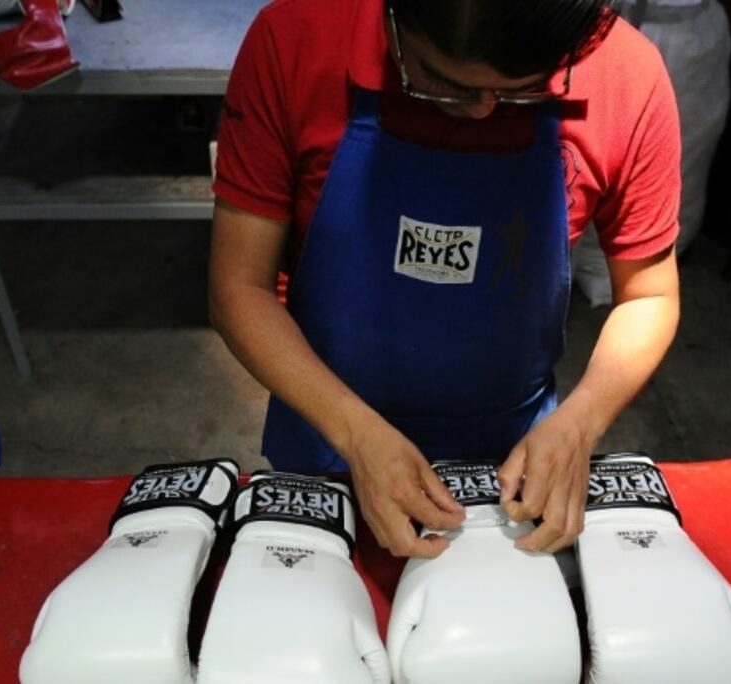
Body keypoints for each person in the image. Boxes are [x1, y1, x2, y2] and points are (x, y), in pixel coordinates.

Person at [209, 0, 681, 559]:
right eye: (439, 84)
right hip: (325, 437)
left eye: (518, 91)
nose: (481, 112)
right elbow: (240, 287)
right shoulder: (297, 40)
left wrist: (582, 422)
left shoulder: (626, 75)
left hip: (514, 462)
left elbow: (649, 293)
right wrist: (354, 433)